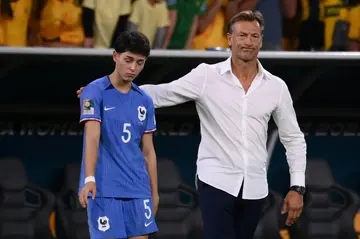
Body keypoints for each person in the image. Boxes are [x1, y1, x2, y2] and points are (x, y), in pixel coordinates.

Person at [77, 11, 307, 239]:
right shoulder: (207, 75)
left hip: (256, 186)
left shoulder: (276, 87)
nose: (248, 42)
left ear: (261, 40)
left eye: (254, 36)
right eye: (242, 35)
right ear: (229, 38)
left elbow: (293, 138)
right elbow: (162, 93)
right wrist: (103, 91)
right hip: (215, 180)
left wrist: (297, 187)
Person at [78, 31, 159, 239]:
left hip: (139, 190)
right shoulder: (94, 91)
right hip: (105, 189)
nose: (133, 68)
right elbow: (92, 138)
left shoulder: (145, 100)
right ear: (115, 56)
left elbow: (148, 151)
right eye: (128, 60)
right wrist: (89, 178)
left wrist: (154, 192)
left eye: (140, 62)